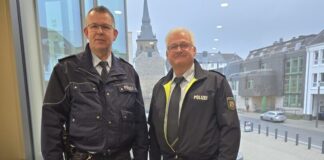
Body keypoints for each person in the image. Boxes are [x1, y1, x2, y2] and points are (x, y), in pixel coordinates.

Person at [41, 6, 148, 160]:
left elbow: (140, 127)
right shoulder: (65, 70)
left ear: (114, 34)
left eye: (105, 27)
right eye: (94, 26)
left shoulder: (129, 73)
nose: (100, 31)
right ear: (86, 32)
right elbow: (51, 125)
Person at [148, 27, 241, 160]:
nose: (179, 49)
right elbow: (154, 133)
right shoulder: (159, 87)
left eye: (184, 45)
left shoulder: (216, 83)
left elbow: (230, 130)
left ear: (194, 50)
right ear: (167, 54)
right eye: (173, 46)